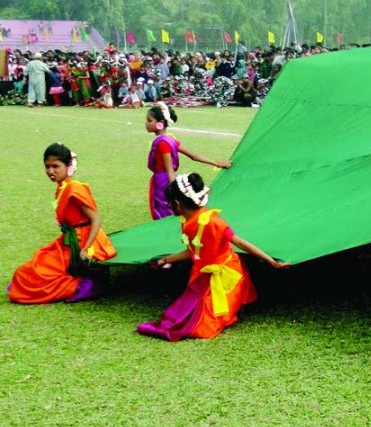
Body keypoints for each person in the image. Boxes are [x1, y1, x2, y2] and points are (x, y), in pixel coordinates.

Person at [137, 173, 288, 341]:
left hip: (224, 275)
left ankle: (235, 306)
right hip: (202, 275)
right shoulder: (187, 221)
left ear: (177, 204)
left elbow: (240, 242)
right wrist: (165, 260)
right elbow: (193, 251)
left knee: (201, 327)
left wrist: (270, 261)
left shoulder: (212, 222)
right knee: (180, 316)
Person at [8, 143, 116, 304]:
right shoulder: (62, 187)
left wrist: (85, 248)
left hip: (83, 242)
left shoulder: (74, 188)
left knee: (32, 273)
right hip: (70, 239)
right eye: (47, 166)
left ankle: (84, 285)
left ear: (68, 166)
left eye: (56, 166)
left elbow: (96, 219)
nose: (51, 171)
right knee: (29, 268)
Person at [146, 102, 232, 219]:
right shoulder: (170, 139)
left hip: (162, 181)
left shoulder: (162, 143)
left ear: (160, 124)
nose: (146, 123)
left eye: (149, 120)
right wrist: (217, 163)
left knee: (163, 211)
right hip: (165, 178)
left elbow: (169, 169)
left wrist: (174, 190)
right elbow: (194, 156)